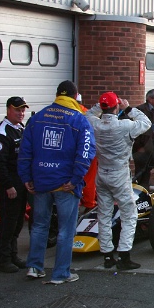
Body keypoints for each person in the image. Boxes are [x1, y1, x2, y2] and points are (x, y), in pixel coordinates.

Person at [18, 80, 96, 284]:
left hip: (41, 183)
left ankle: (34, 267)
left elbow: (25, 151)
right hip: (66, 186)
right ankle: (61, 273)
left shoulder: (38, 118)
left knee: (39, 226)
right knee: (65, 230)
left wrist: (26, 177)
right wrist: (76, 179)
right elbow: (86, 153)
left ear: (57, 94)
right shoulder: (79, 120)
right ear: (75, 96)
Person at [85, 92, 150, 270]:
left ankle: (107, 255)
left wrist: (100, 105)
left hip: (102, 172)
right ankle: (124, 255)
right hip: (119, 173)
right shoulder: (125, 125)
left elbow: (88, 114)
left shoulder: (95, 124)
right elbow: (146, 122)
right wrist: (128, 108)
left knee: (104, 214)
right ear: (116, 107)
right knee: (129, 214)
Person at [0, 96, 30, 273]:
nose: (21, 113)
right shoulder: (1, 132)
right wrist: (8, 186)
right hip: (10, 183)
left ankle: (13, 255)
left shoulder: (20, 128)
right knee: (8, 221)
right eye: (17, 110)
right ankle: (3, 259)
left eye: (23, 110)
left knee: (18, 220)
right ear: (8, 109)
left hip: (21, 181)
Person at [131, 89, 154, 187]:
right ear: (150, 99)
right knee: (142, 176)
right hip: (142, 150)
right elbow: (133, 131)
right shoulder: (139, 111)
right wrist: (138, 147)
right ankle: (141, 196)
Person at [76, 93, 99, 212]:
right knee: (89, 179)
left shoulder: (69, 112)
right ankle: (89, 203)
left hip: (74, 151)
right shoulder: (87, 113)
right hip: (90, 150)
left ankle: (77, 201)